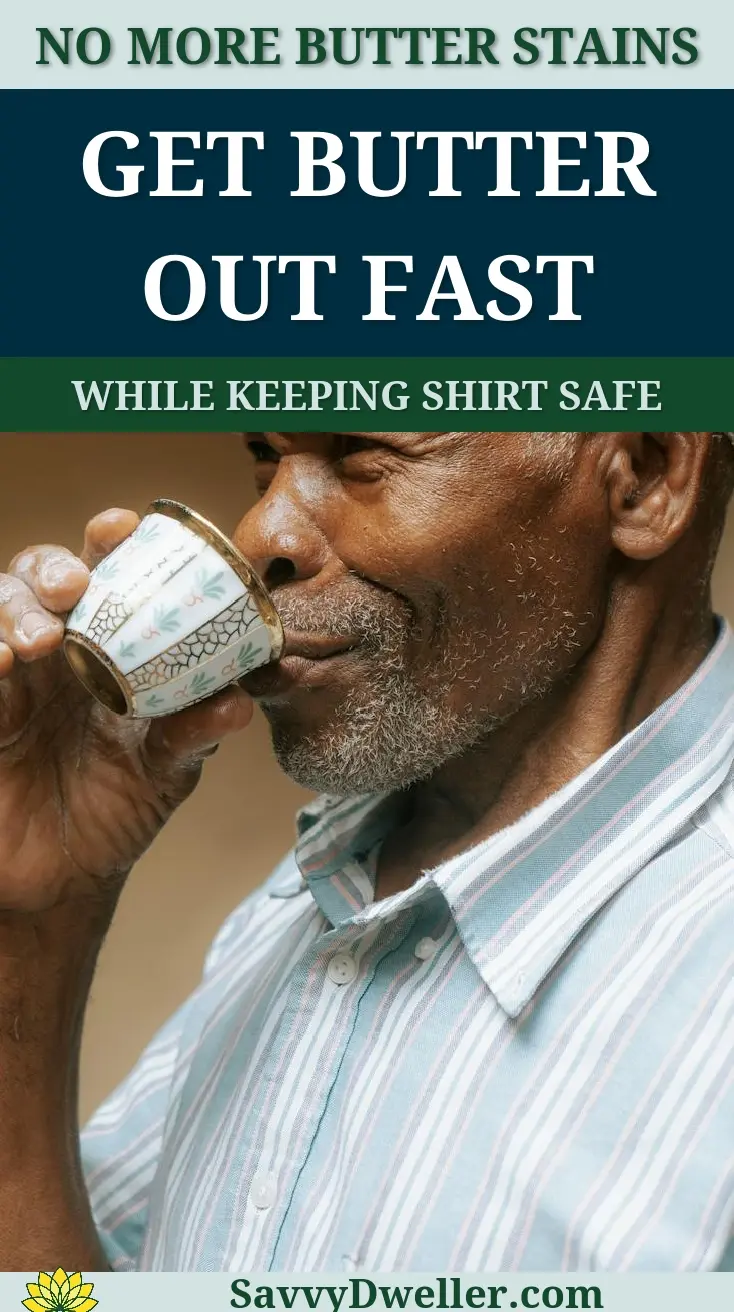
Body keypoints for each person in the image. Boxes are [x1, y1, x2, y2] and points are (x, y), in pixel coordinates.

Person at [1, 432, 733, 1273]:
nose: (260, 533)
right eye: (266, 459)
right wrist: (35, 922)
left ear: (644, 475)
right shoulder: (330, 891)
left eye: (364, 458)